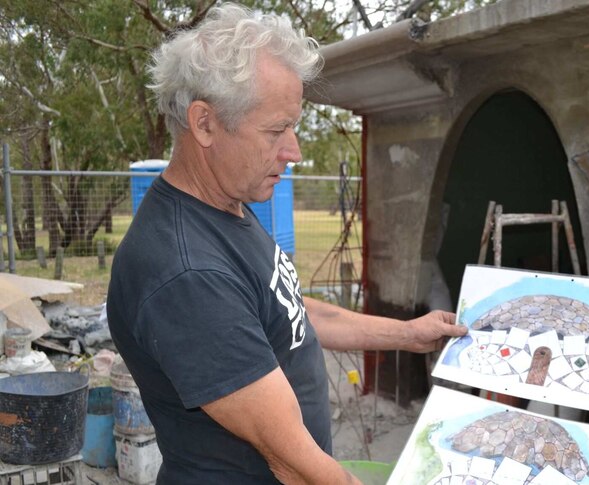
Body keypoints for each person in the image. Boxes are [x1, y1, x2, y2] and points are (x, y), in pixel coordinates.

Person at [106, 4, 466, 483]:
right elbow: (294, 463)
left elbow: (289, 312)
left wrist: (408, 334)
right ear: (205, 124)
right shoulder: (185, 274)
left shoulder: (226, 204)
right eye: (276, 130)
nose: (293, 151)